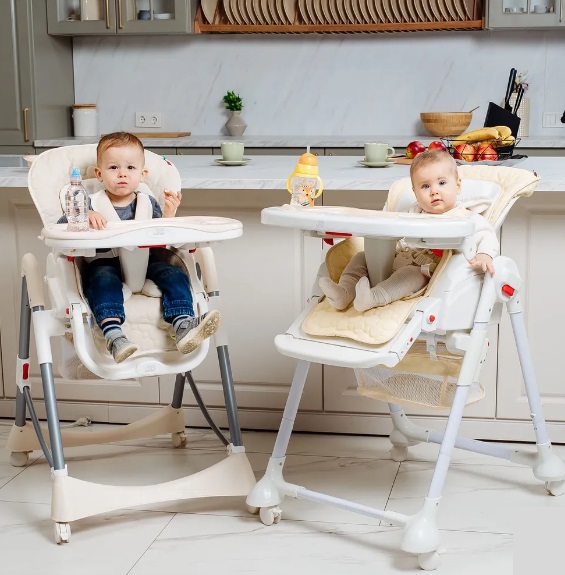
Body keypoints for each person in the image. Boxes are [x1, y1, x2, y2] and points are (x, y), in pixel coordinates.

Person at [58, 132, 220, 363]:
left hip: (146, 261)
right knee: (102, 280)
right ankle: (114, 336)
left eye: (130, 168)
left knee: (174, 273)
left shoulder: (148, 202)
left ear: (142, 174)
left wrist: (169, 214)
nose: (122, 173)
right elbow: (62, 226)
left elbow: (162, 235)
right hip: (105, 261)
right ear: (99, 174)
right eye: (113, 167)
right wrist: (85, 216)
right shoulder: (89, 201)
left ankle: (183, 325)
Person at [319, 149, 499, 312]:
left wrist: (485, 255)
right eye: (425, 186)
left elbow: (486, 234)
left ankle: (373, 298)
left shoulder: (464, 216)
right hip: (395, 259)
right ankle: (344, 293)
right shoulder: (412, 212)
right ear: (415, 192)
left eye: (442, 183)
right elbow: (391, 230)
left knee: (411, 274)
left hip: (424, 270)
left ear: (458, 186)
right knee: (362, 257)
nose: (434, 191)